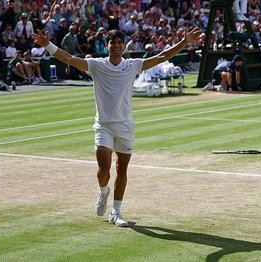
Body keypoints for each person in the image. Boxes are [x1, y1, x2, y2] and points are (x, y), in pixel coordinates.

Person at [32, 27, 201, 227]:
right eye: (113, 42)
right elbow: (69, 58)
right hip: (103, 126)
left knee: (122, 169)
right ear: (107, 45)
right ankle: (103, 191)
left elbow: (163, 56)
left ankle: (116, 211)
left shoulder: (133, 65)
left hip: (125, 127)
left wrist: (184, 42)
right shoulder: (96, 65)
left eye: (120, 42)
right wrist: (47, 45)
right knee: (104, 168)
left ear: (123, 46)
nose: (117, 46)